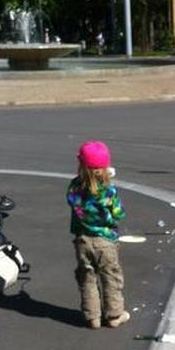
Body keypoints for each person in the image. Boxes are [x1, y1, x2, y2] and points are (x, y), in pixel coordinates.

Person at [67, 141, 130, 329]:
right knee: (111, 277)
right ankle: (114, 315)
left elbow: (71, 201)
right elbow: (118, 213)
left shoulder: (74, 187)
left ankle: (92, 317)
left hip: (82, 241)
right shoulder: (108, 190)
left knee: (87, 278)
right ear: (105, 168)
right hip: (106, 242)